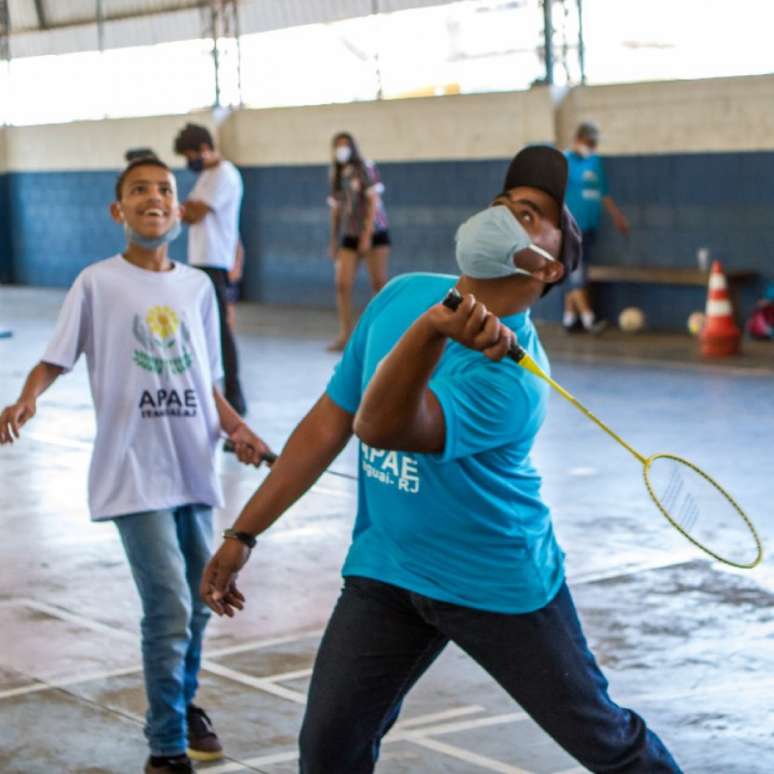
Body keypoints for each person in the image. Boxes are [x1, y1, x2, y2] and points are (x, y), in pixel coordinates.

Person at [199, 146, 682, 773]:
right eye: (503, 203)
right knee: (328, 750)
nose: (507, 212)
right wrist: (244, 532)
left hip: (495, 581)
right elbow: (328, 424)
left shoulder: (514, 380)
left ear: (552, 266)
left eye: (531, 212)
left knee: (605, 741)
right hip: (389, 570)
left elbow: (381, 425)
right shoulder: (401, 295)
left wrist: (431, 331)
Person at [0, 156, 271, 774]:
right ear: (117, 211)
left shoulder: (198, 287)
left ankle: (183, 703)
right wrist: (26, 398)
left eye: (165, 191)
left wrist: (237, 429)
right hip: (133, 472)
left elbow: (207, 382)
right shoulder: (98, 282)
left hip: (193, 469)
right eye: (139, 190)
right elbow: (57, 358)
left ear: (181, 211)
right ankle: (166, 745)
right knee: (170, 605)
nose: (154, 197)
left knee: (204, 598)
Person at [174, 123, 247, 416]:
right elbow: (188, 210)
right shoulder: (207, 175)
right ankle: (214, 391)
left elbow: (192, 213)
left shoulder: (224, 175)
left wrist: (186, 209)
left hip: (215, 261)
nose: (188, 161)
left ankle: (234, 396)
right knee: (205, 329)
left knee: (222, 332)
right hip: (202, 259)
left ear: (205, 149)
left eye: (191, 154)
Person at [563, 121, 630, 333]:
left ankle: (570, 317)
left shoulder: (595, 162)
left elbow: (604, 193)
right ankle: (588, 317)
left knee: (578, 272)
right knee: (577, 273)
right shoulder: (565, 161)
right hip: (570, 227)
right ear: (578, 140)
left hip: (590, 227)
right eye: (588, 141)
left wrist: (617, 217)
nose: (591, 146)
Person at [327, 131, 390, 351]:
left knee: (378, 283)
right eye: (338, 145)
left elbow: (373, 202)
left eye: (345, 145)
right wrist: (333, 240)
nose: (342, 149)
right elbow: (336, 211)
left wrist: (367, 235)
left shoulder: (365, 167)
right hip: (350, 233)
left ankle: (381, 333)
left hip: (375, 232)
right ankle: (346, 334)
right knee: (342, 284)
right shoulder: (336, 174)